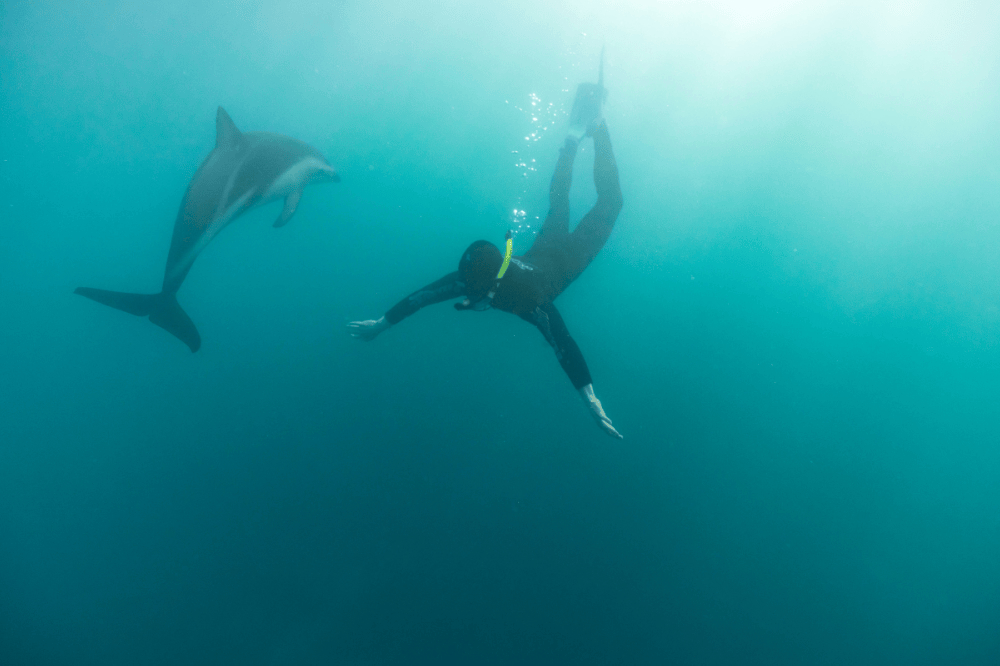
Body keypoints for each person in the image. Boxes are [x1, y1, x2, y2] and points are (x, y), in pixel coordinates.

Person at [349, 78, 624, 438]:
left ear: (487, 288)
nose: (463, 295)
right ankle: (580, 134)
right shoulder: (475, 275)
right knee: (562, 199)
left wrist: (592, 401)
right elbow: (422, 297)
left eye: (470, 293)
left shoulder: (529, 300)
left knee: (603, 203)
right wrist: (381, 324)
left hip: (564, 256)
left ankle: (585, 132)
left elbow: (564, 344)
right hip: (544, 251)